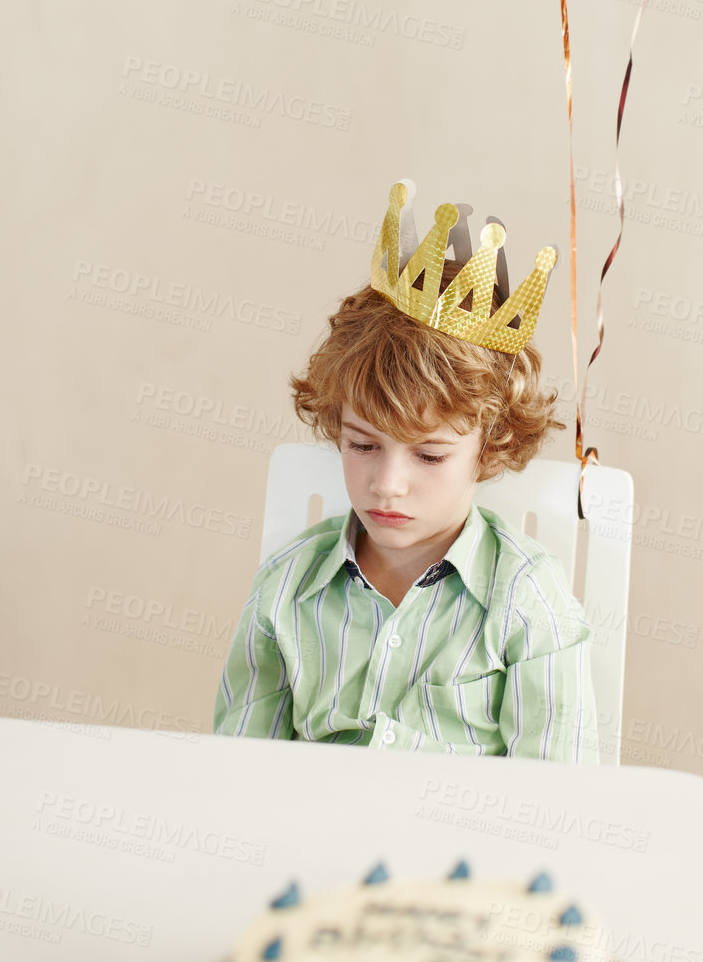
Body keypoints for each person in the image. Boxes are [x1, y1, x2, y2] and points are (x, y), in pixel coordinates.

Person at [212, 179, 598, 761]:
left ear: (489, 447)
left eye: (430, 455)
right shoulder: (284, 594)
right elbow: (235, 775)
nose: (387, 484)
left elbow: (555, 802)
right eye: (363, 446)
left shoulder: (526, 602)